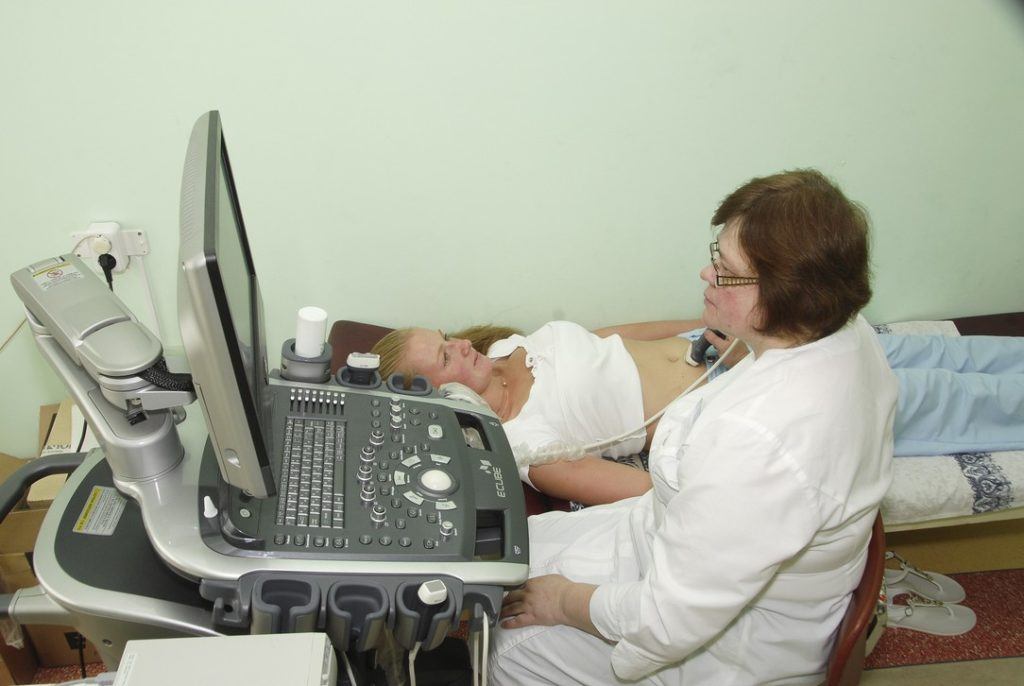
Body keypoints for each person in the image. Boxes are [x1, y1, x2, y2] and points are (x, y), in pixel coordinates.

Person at [477, 168, 899, 683]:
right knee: (515, 548)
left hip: (730, 644)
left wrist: (565, 601)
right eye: (716, 255)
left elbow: (666, 620)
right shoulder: (844, 330)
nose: (706, 273)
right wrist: (750, 349)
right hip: (678, 545)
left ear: (785, 293)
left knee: (507, 649)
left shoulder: (760, 440)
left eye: (725, 269)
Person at [372, 317, 1024, 505]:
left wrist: (723, 325)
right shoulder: (529, 446)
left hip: (731, 349)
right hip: (743, 398)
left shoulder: (508, 348)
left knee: (917, 352)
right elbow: (646, 493)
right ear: (440, 401)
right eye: (445, 357)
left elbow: (615, 338)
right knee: (940, 395)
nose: (461, 344)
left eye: (446, 337)